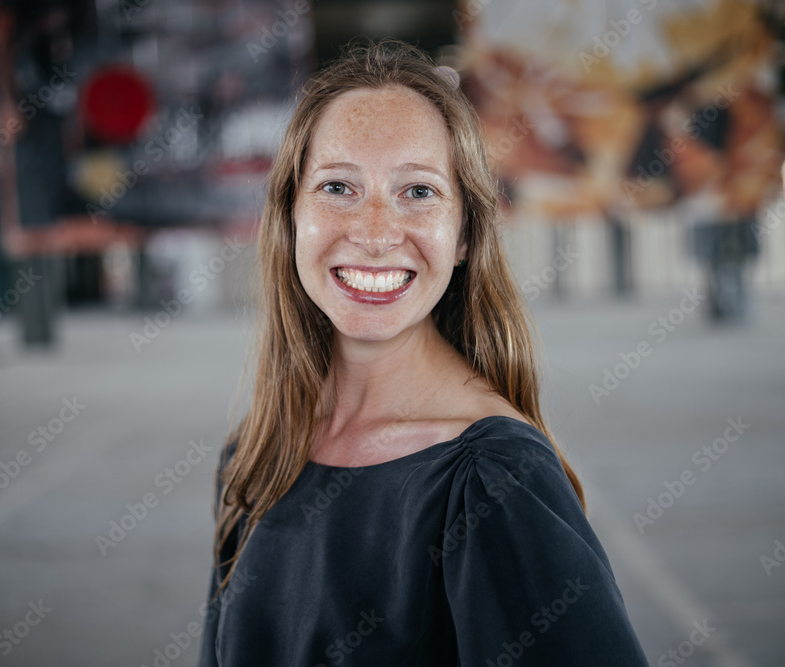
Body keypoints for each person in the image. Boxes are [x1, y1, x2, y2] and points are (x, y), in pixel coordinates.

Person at [198, 39, 647, 666]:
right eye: (337, 187)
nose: (376, 234)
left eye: (417, 191)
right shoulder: (255, 455)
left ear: (464, 232)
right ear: (290, 216)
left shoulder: (493, 481)